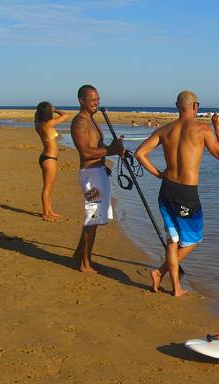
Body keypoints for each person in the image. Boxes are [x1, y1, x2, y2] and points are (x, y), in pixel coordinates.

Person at [135, 90, 219, 297]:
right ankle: (161, 272)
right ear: (195, 106)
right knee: (194, 239)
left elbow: (140, 153)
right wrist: (218, 128)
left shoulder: (165, 130)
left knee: (173, 240)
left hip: (166, 189)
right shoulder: (202, 129)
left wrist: (159, 174)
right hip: (186, 193)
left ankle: (175, 287)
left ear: (177, 106)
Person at [70, 84, 124, 273]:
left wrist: (115, 147)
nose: (96, 102)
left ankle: (79, 255)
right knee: (92, 218)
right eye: (92, 100)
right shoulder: (80, 122)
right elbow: (85, 152)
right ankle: (85, 263)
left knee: (94, 217)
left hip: (98, 172)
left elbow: (98, 147)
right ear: (81, 101)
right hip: (90, 175)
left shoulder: (92, 120)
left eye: (98, 99)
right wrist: (111, 150)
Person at [34, 101, 69, 220]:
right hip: (49, 159)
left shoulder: (38, 123)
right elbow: (66, 115)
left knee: (49, 187)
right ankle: (45, 213)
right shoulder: (48, 124)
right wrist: (55, 109)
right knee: (47, 187)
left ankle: (49, 211)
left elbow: (38, 114)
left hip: (47, 157)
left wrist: (46, 109)